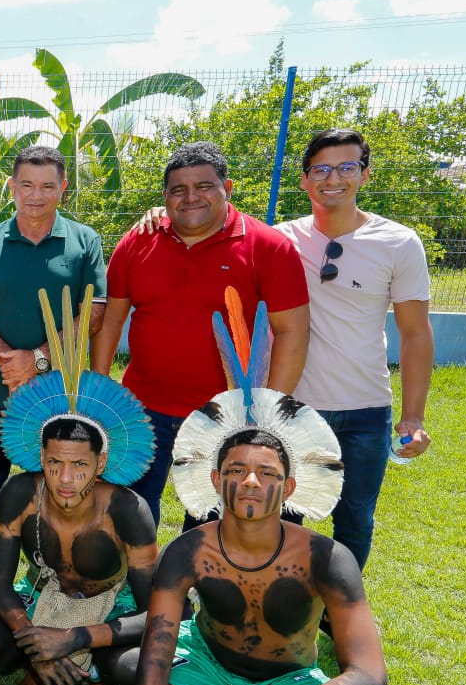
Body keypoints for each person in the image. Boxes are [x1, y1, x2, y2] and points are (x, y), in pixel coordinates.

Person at [132, 304, 388, 685]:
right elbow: (153, 659)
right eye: (237, 469)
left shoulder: (326, 558)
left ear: (290, 484)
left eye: (267, 473)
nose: (250, 481)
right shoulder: (187, 552)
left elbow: (369, 679)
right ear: (215, 477)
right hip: (208, 664)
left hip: (289, 680)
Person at [0, 286, 158, 685]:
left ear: (102, 464)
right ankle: (42, 668)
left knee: (131, 668)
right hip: (42, 596)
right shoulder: (19, 493)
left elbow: (158, 613)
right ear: (41, 457)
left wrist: (73, 640)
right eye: (54, 463)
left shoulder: (126, 509)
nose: (65, 478)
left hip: (110, 606)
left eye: (79, 465)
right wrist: (37, 645)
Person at [91, 141, 310, 530]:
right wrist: (99, 387)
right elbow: (110, 322)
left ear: (227, 187)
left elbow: (292, 331)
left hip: (225, 414)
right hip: (142, 409)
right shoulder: (137, 241)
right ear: (165, 196)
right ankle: (135, 586)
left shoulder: (268, 247)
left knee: (209, 516)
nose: (191, 198)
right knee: (130, 510)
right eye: (178, 190)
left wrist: (266, 410)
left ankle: (196, 587)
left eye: (204, 186)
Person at [275, 128, 434, 569]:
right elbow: (214, 224)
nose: (334, 178)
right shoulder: (279, 240)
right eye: (321, 169)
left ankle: (338, 617)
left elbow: (416, 333)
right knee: (285, 516)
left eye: (347, 167)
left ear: (364, 175)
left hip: (366, 411)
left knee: (356, 520)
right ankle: (284, 610)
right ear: (304, 181)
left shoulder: (399, 243)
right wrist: (160, 212)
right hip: (293, 407)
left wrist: (414, 416)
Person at [0, 145, 108, 512]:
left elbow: (94, 312)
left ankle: (48, 564)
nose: (35, 195)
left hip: (59, 391)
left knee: (56, 485)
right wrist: (12, 363)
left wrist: (39, 360)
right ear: (11, 186)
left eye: (46, 186)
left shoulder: (85, 240)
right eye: (26, 184)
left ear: (63, 187)